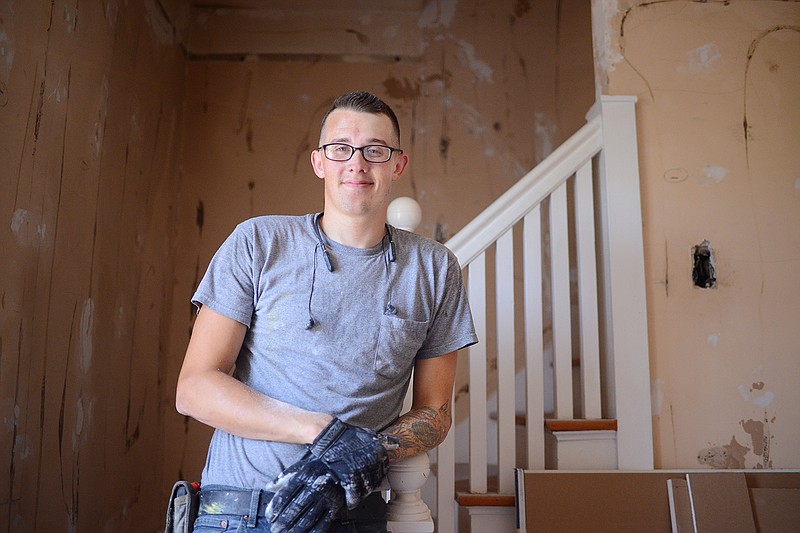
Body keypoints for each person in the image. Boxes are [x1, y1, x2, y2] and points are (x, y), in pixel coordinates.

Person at [175, 91, 477, 532]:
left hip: (353, 515)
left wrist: (358, 457)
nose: (357, 163)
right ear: (319, 162)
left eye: (376, 150)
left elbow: (435, 413)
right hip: (241, 513)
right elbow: (195, 388)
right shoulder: (258, 242)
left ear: (398, 165)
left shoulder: (434, 268)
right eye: (341, 149)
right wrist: (327, 434)